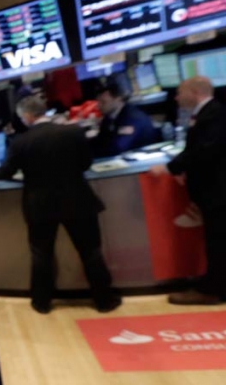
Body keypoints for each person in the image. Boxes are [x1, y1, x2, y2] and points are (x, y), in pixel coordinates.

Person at [0, 95, 119, 314]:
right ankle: (105, 301)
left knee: (41, 255)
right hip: (78, 201)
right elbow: (86, 164)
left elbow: (7, 172)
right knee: (90, 252)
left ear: (27, 116)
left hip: (40, 206)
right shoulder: (72, 133)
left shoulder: (20, 142)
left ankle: (41, 303)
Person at [151, 76, 226, 305]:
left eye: (179, 92)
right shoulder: (209, 113)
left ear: (194, 92)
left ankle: (213, 290)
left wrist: (170, 167)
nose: (176, 97)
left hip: (217, 191)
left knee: (218, 241)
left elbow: (204, 150)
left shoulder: (213, 113)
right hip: (214, 190)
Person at [91, 80, 158, 157]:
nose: (98, 106)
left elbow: (118, 148)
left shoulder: (133, 118)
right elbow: (100, 141)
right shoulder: (109, 117)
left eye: (103, 102)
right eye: (98, 102)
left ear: (118, 99)